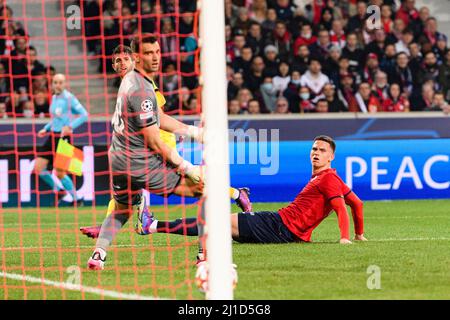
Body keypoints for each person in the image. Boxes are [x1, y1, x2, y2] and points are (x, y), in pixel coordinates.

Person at [86, 39, 251, 270]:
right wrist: (186, 167)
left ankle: (98, 254)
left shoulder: (129, 81)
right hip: (141, 159)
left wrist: (194, 132)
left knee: (122, 208)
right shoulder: (143, 89)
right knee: (205, 186)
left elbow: (160, 117)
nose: (154, 57)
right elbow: (154, 137)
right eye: (148, 53)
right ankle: (205, 255)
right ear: (137, 57)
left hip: (117, 159)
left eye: (157, 51)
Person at [136, 135, 367, 245]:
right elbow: (357, 203)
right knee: (213, 226)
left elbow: (340, 207)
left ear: (332, 156)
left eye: (322, 150)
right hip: (280, 226)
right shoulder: (329, 178)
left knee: (212, 222)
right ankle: (153, 225)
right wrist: (359, 234)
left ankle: (153, 225)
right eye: (314, 149)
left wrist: (346, 238)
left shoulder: (327, 179)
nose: (316, 153)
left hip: (280, 227)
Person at [34, 74, 88, 206]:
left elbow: (84, 115)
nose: (58, 85)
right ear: (52, 84)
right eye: (55, 82)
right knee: (38, 168)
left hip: (64, 138)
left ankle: (77, 199)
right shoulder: (53, 97)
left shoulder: (69, 98)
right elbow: (54, 119)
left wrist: (70, 126)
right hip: (52, 135)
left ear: (64, 84)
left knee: (60, 172)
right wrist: (45, 128)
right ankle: (59, 191)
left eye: (60, 82)